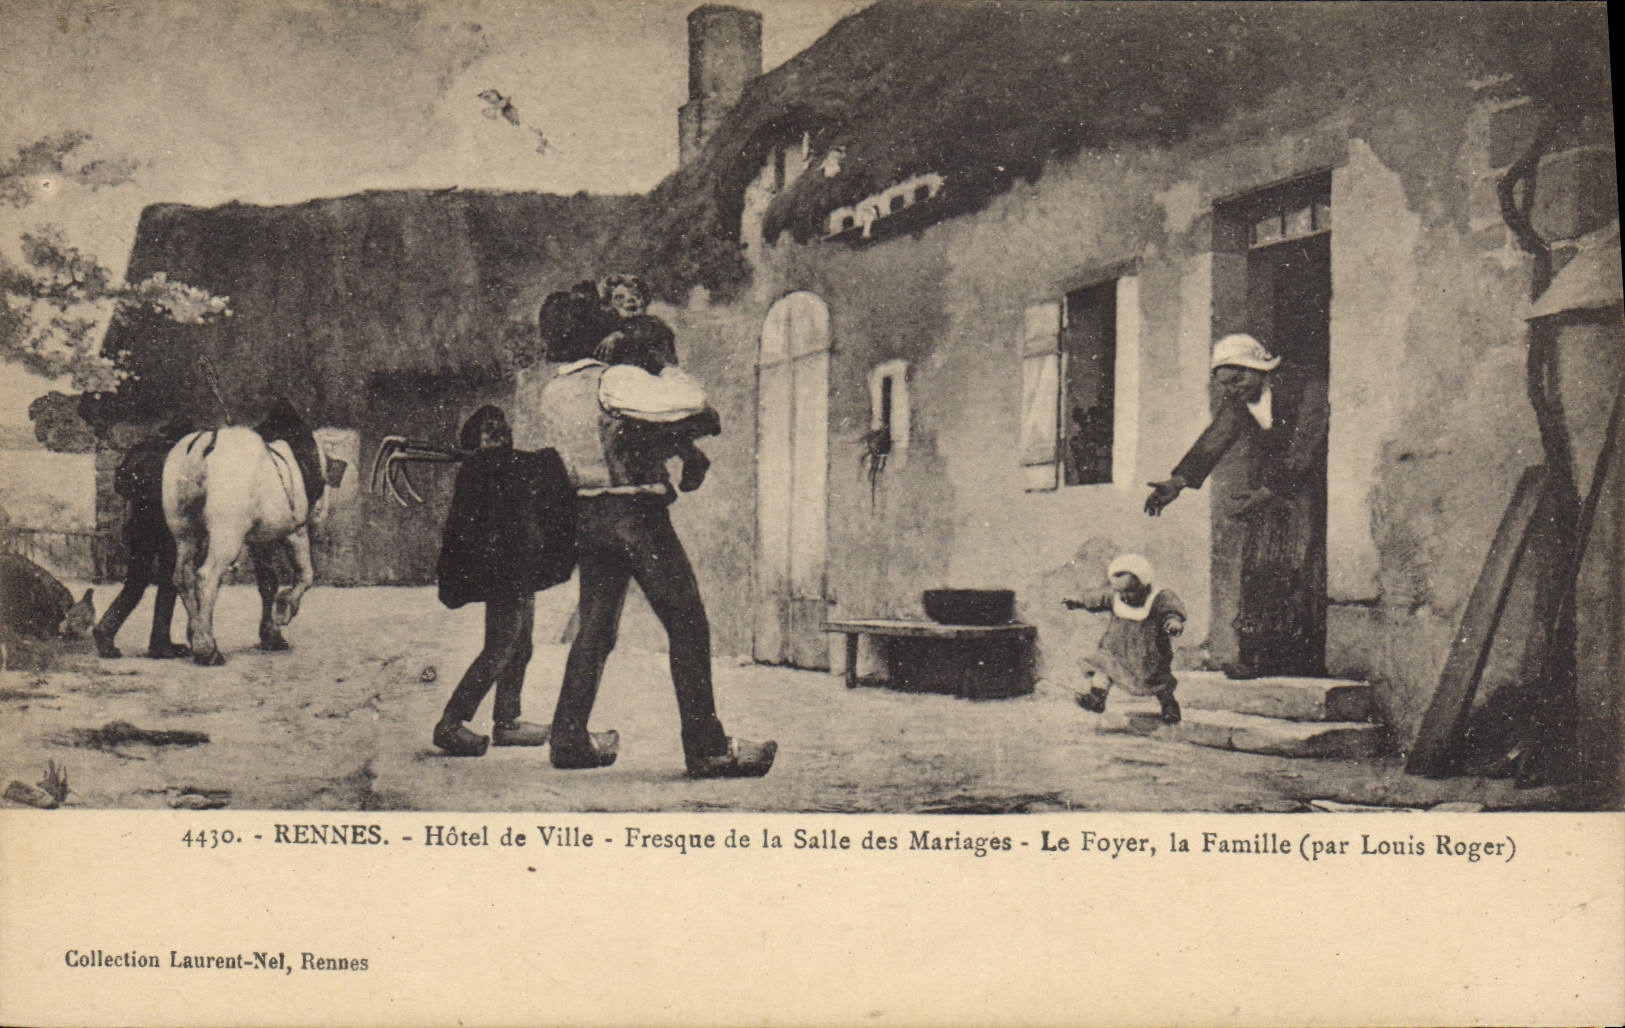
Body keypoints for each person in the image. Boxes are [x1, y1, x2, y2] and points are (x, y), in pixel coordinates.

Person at [536, 291, 776, 777]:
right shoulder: (614, 380)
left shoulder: (554, 391)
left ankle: (568, 738)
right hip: (636, 514)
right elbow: (691, 404)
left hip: (588, 516)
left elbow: (625, 434)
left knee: (595, 630)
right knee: (688, 624)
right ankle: (707, 748)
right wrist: (663, 369)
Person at [1145, 333, 1328, 679]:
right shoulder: (1240, 402)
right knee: (1259, 566)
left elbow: (1307, 443)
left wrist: (1274, 489)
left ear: (1259, 368)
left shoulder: (1305, 387)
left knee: (1300, 566)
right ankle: (1257, 658)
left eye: (1239, 379)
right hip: (1269, 488)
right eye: (1226, 384)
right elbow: (1215, 438)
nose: (1234, 389)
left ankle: (1304, 662)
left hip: (1303, 488)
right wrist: (1178, 482)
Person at [432, 405, 575, 757]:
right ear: (473, 440)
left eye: (500, 428)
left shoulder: (511, 465)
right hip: (503, 572)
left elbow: (537, 466)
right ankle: (450, 724)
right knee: (502, 646)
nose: (497, 433)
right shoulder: (479, 471)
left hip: (520, 569)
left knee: (522, 645)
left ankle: (508, 722)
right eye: (487, 430)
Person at [597, 274, 710, 493]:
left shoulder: (650, 325)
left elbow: (654, 346)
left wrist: (621, 336)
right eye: (620, 298)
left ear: (645, 300)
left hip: (655, 385)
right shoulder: (613, 330)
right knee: (641, 438)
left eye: (636, 297)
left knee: (656, 429)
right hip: (633, 389)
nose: (630, 302)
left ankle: (693, 459)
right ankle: (673, 470)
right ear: (610, 304)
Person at [93, 415, 193, 659]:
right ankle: (158, 642)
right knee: (170, 582)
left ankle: (107, 629)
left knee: (136, 583)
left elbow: (120, 484)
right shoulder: (180, 457)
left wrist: (139, 499)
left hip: (139, 524)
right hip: (168, 526)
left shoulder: (141, 450)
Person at [1063, 554, 1187, 724]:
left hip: (1147, 656)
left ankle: (1169, 707)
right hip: (1115, 651)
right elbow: (1096, 598)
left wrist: (1174, 621)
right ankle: (1097, 698)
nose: (1126, 597)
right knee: (1103, 667)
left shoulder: (1159, 597)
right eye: (1121, 592)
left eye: (1131, 591)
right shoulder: (1114, 596)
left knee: (1159, 683)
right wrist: (1079, 601)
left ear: (1143, 584)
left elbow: (1172, 610)